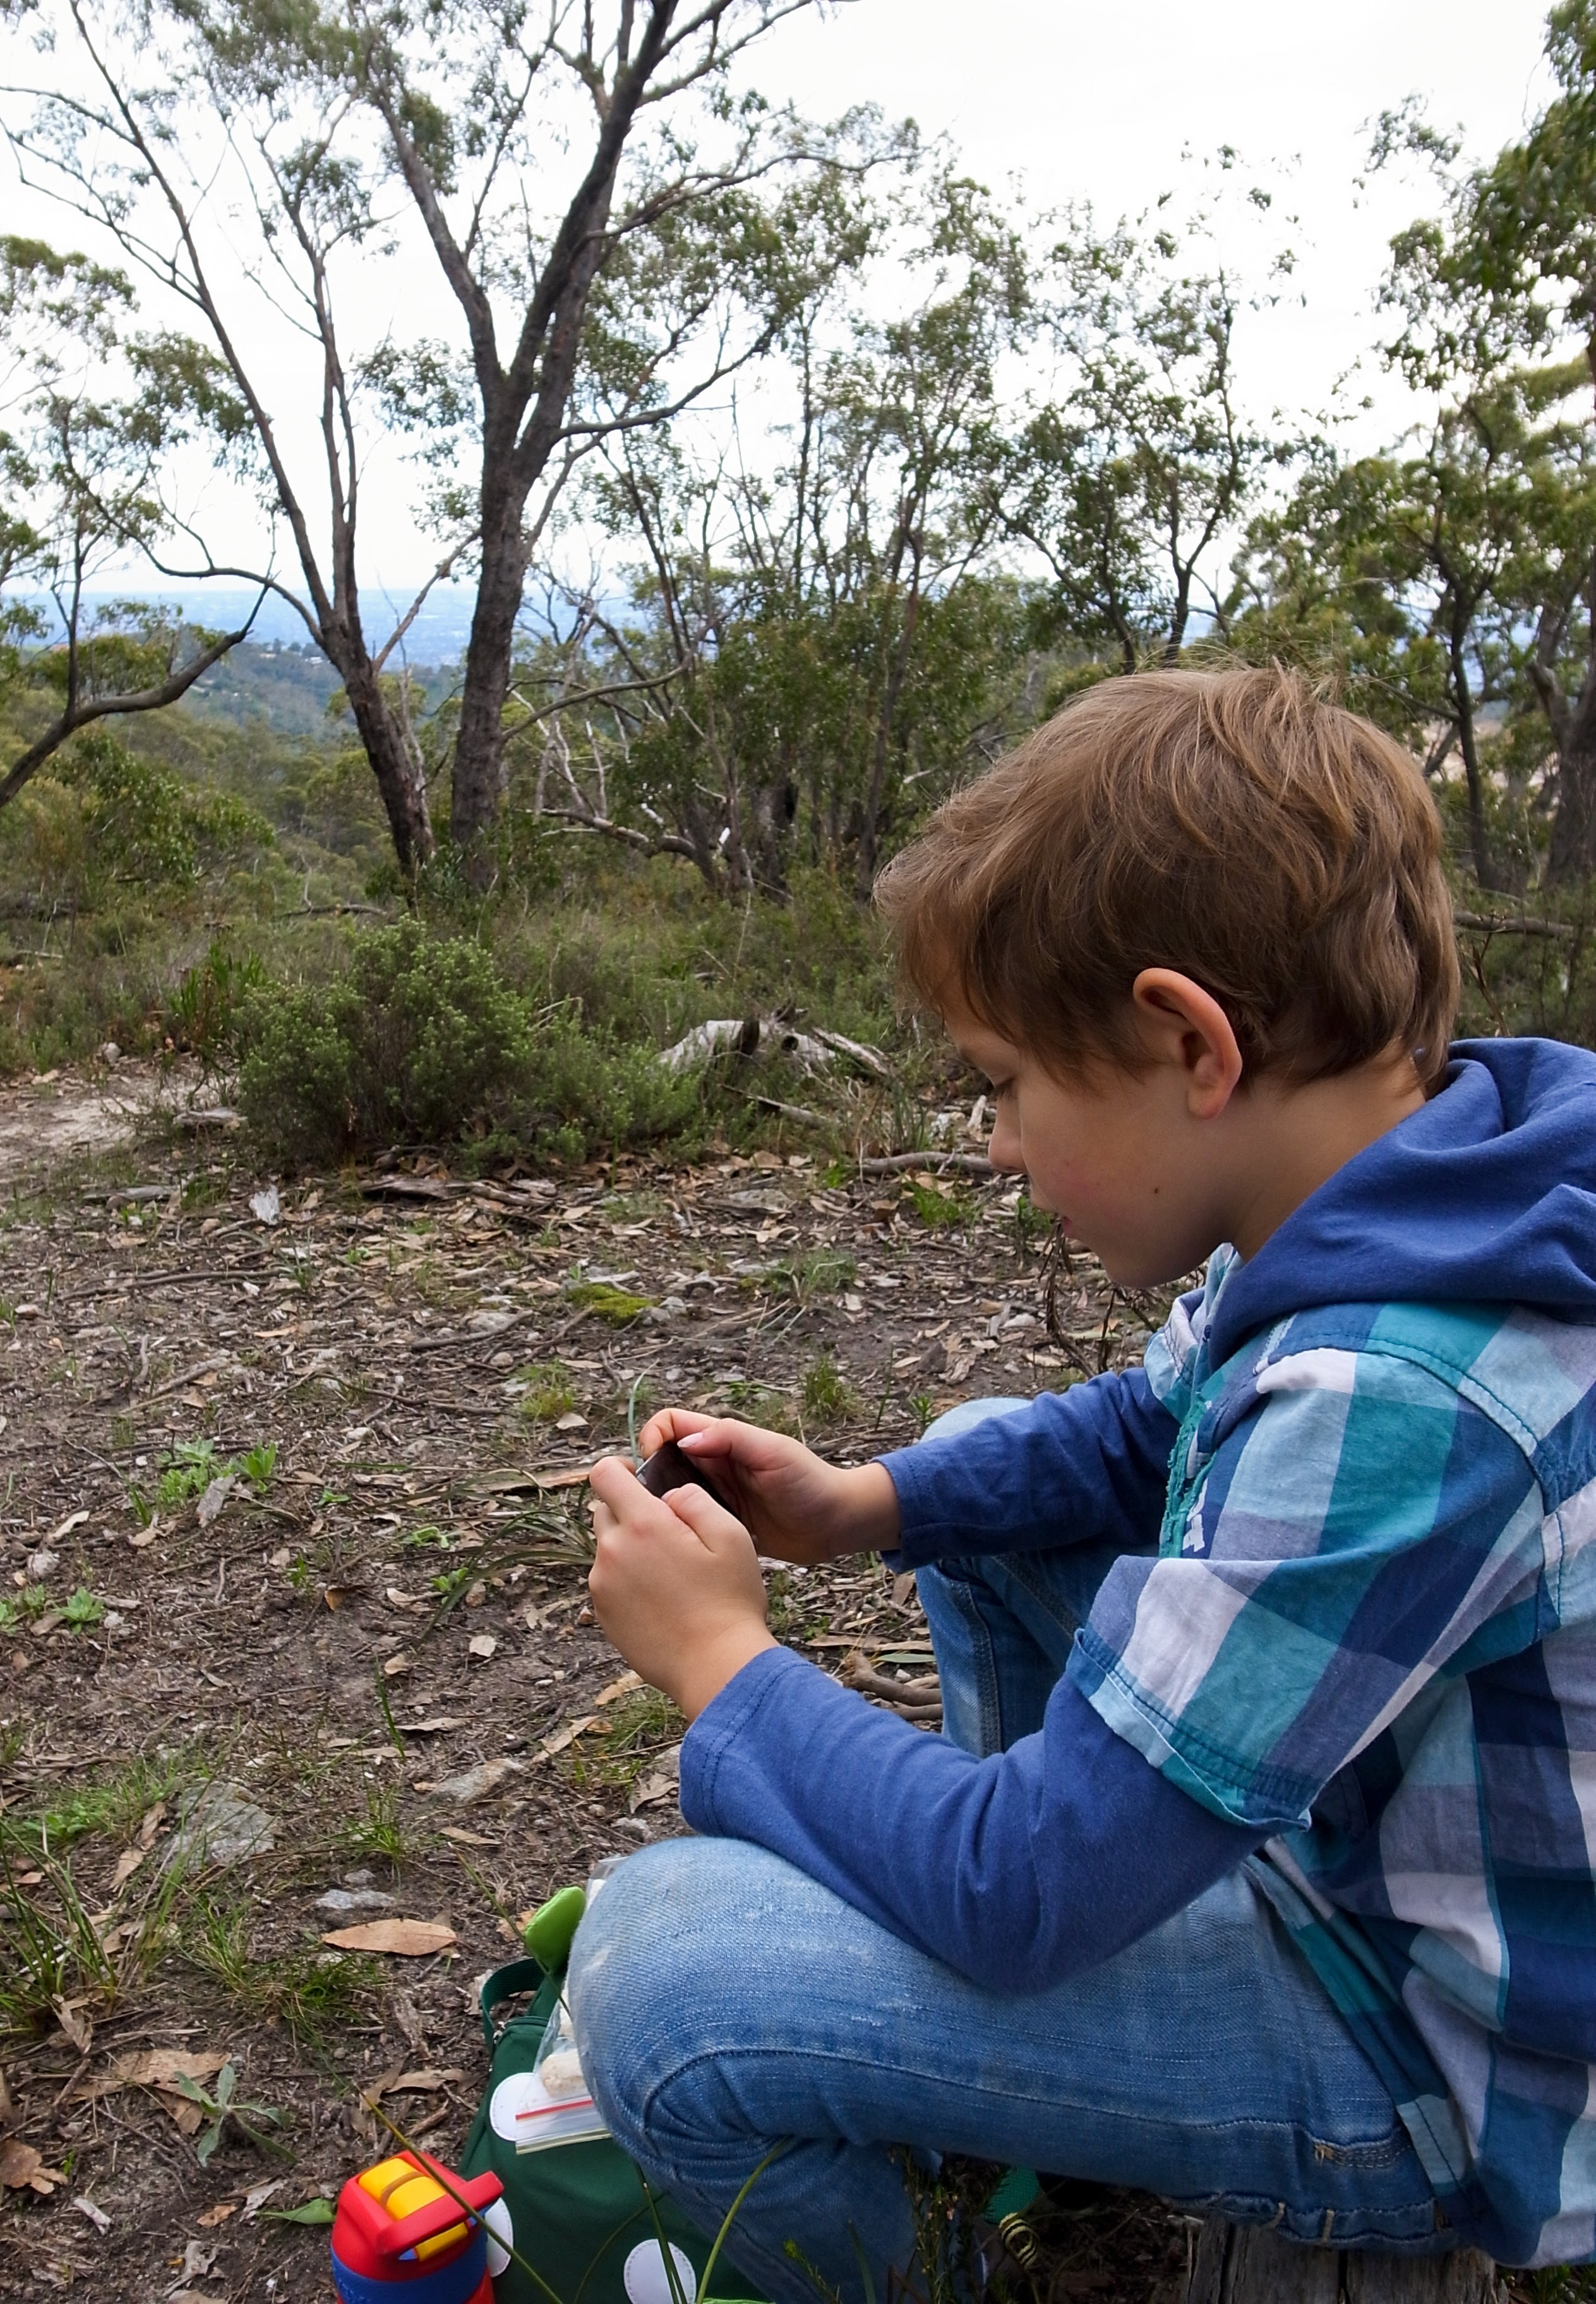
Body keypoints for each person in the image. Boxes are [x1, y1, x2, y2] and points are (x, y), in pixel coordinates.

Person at [568, 666, 1596, 2296]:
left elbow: (1020, 1882)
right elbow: (1138, 1438)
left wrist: (721, 1665)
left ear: (1188, 1040)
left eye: (1002, 1083)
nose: (992, 1143)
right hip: (1362, 1846)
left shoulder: (1402, 1389)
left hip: (1453, 2073)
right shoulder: (1407, 1186)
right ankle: (1036, 2051)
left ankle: (954, 2259)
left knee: (663, 1985)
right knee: (986, 1473)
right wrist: (864, 1504)